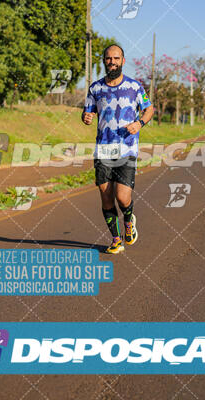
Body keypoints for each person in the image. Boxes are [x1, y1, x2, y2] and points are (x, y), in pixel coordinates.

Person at [82, 44, 154, 254]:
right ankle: (115, 239)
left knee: (122, 197)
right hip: (103, 149)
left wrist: (139, 123)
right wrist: (86, 117)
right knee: (106, 196)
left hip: (126, 149)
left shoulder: (134, 87)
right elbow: (88, 111)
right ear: (104, 61)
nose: (111, 62)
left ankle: (129, 220)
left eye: (116, 58)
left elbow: (149, 109)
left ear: (123, 60)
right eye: (108, 58)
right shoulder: (95, 88)